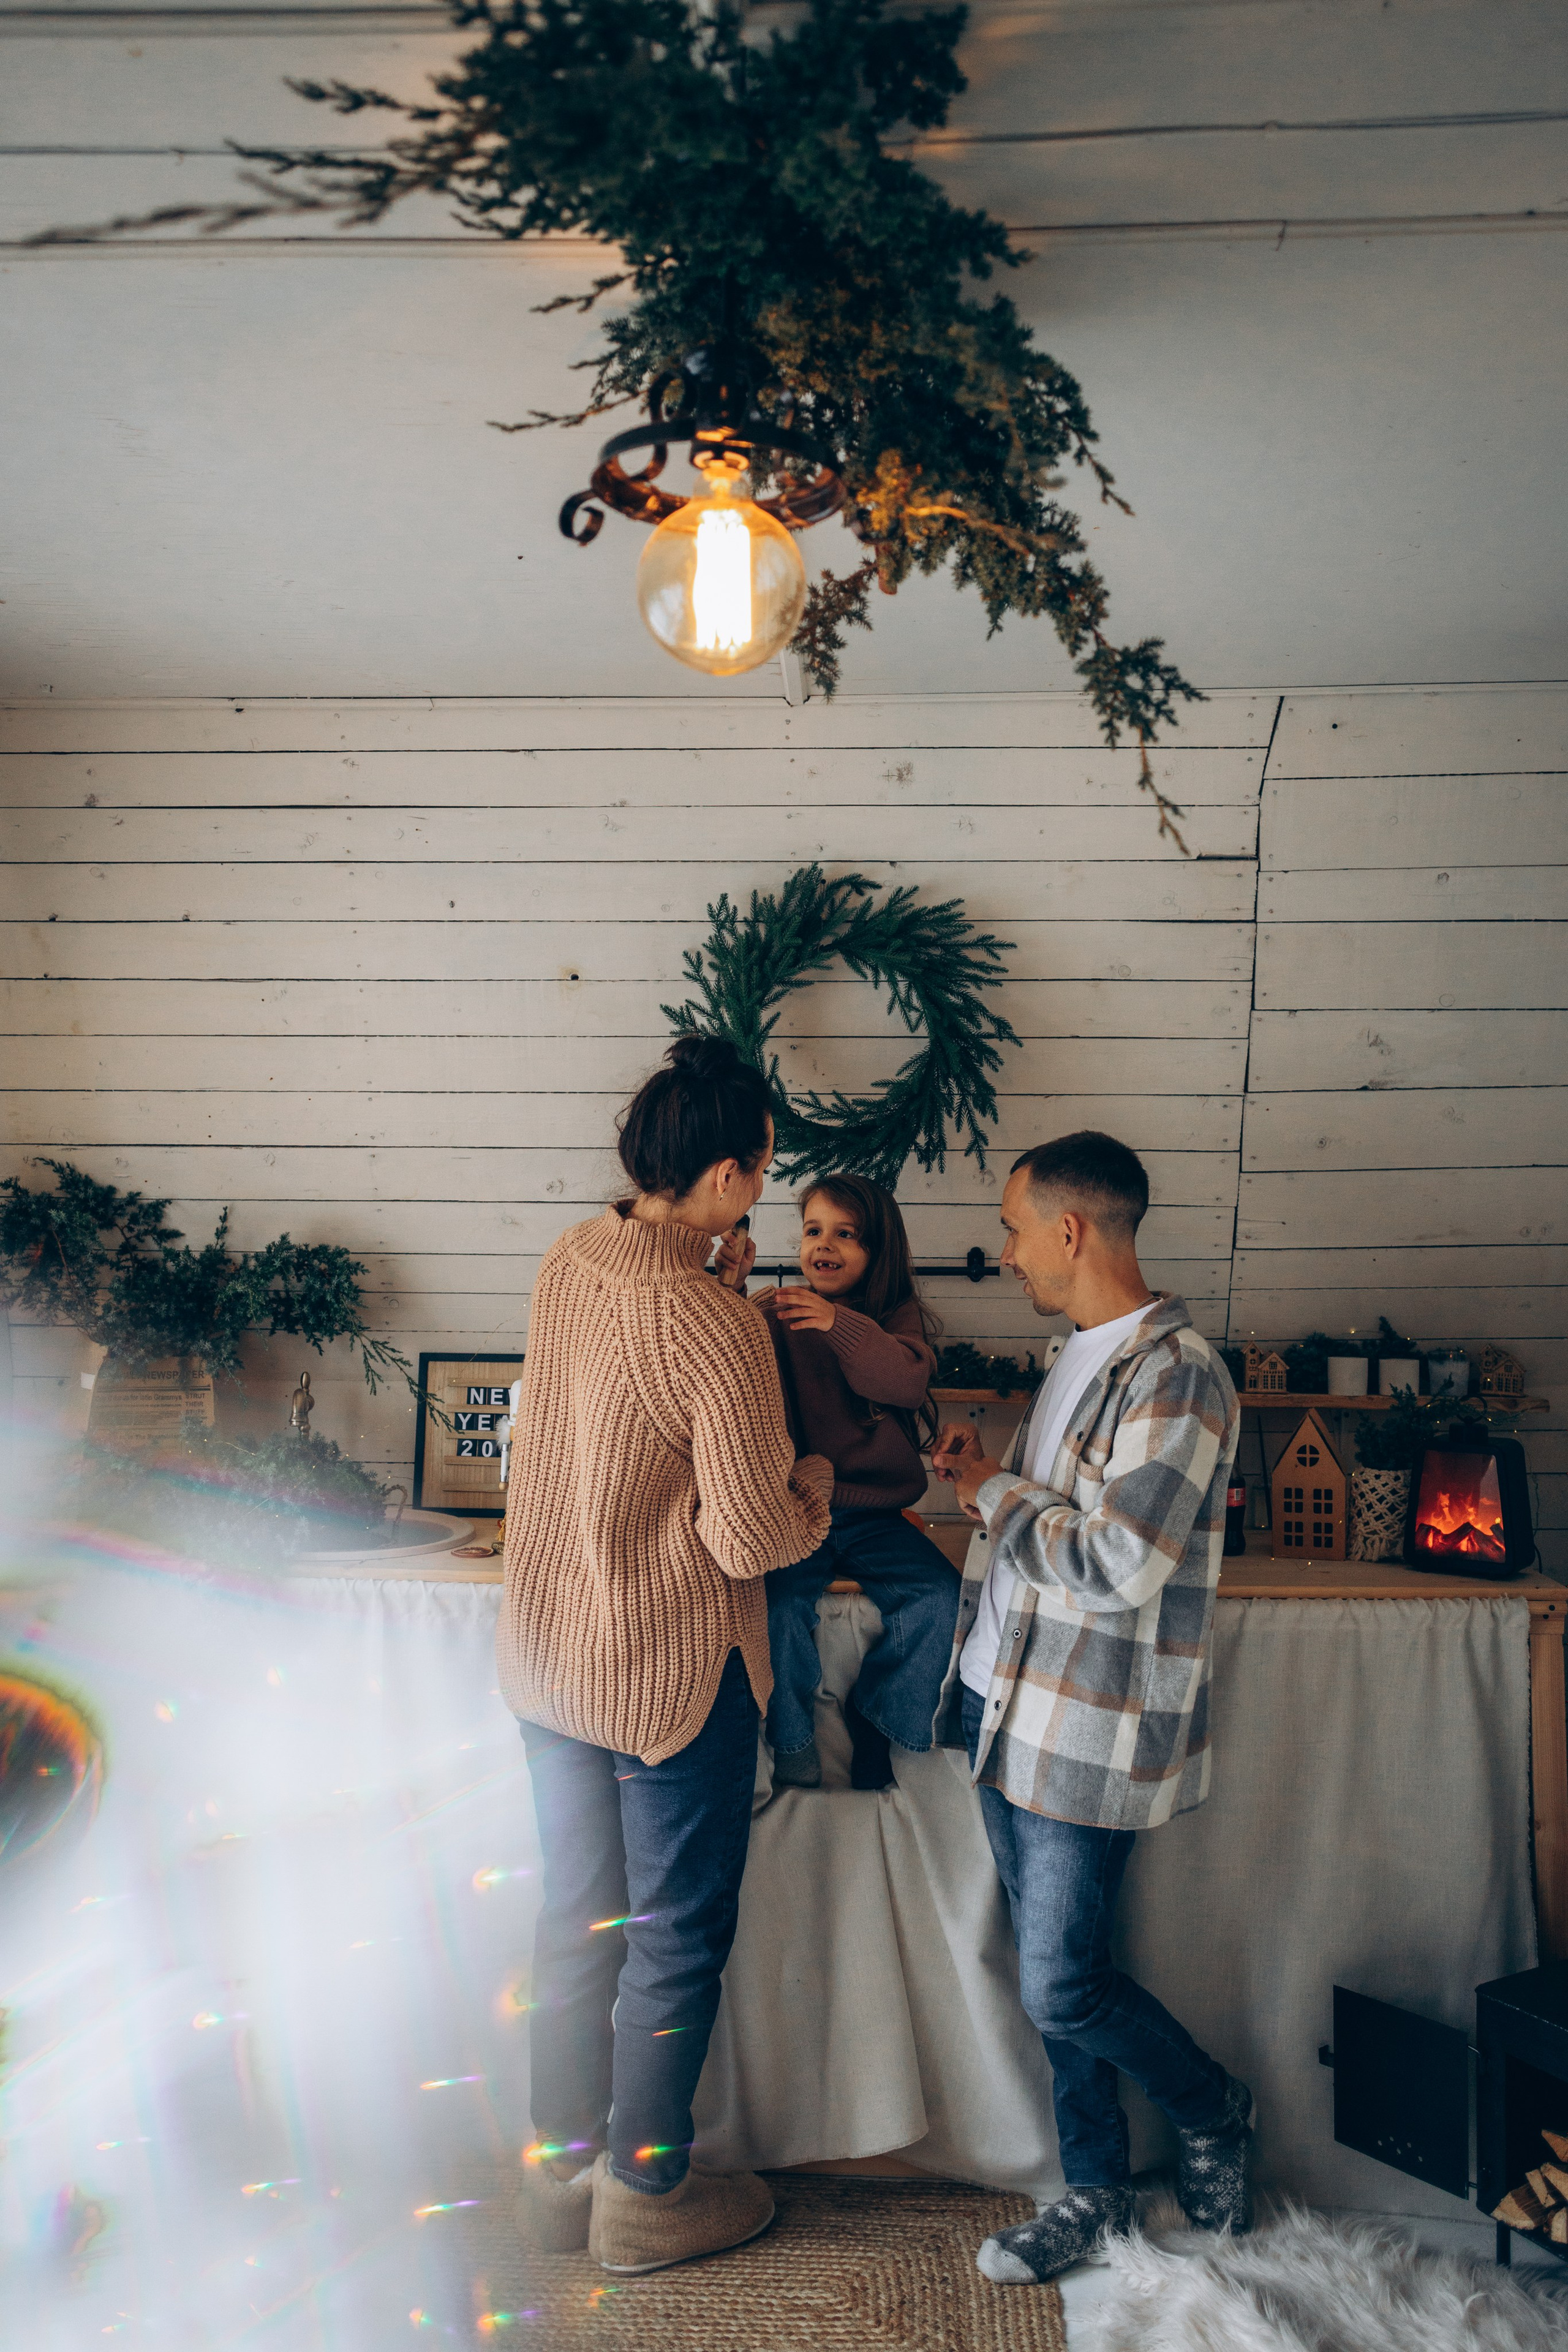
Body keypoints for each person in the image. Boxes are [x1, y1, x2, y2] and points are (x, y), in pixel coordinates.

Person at [498, 1037, 832, 2275]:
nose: (766, 1186)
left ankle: (559, 2178)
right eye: (764, 1168)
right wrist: (812, 1481)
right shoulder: (716, 1326)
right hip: (670, 1680)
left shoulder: (570, 1258)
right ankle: (644, 2200)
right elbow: (750, 1536)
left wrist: (714, 1277)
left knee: (573, 1921)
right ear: (732, 1175)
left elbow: (614, 1409)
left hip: (551, 1661)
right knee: (673, 1938)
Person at [930, 1131, 1248, 2285]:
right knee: (1050, 1977)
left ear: (1069, 1229)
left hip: (1085, 1731)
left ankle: (1211, 2109)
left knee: (1062, 1982)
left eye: (1015, 1230)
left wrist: (988, 1488)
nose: (1007, 1254)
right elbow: (1048, 1523)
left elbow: (1119, 1562)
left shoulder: (1179, 1373)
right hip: (1003, 1701)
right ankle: (1095, 2192)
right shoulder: (1073, 1356)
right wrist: (992, 1476)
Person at [749, 1175, 959, 1792]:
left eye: (846, 1234)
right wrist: (732, 1286)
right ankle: (792, 1738)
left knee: (939, 1598)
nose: (824, 1244)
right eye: (813, 1230)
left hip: (875, 1515)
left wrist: (837, 1323)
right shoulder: (779, 1310)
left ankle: (882, 1719)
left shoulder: (895, 1317)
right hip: (796, 1510)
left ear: (878, 1250)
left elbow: (903, 1384)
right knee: (777, 1606)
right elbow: (723, 1347)